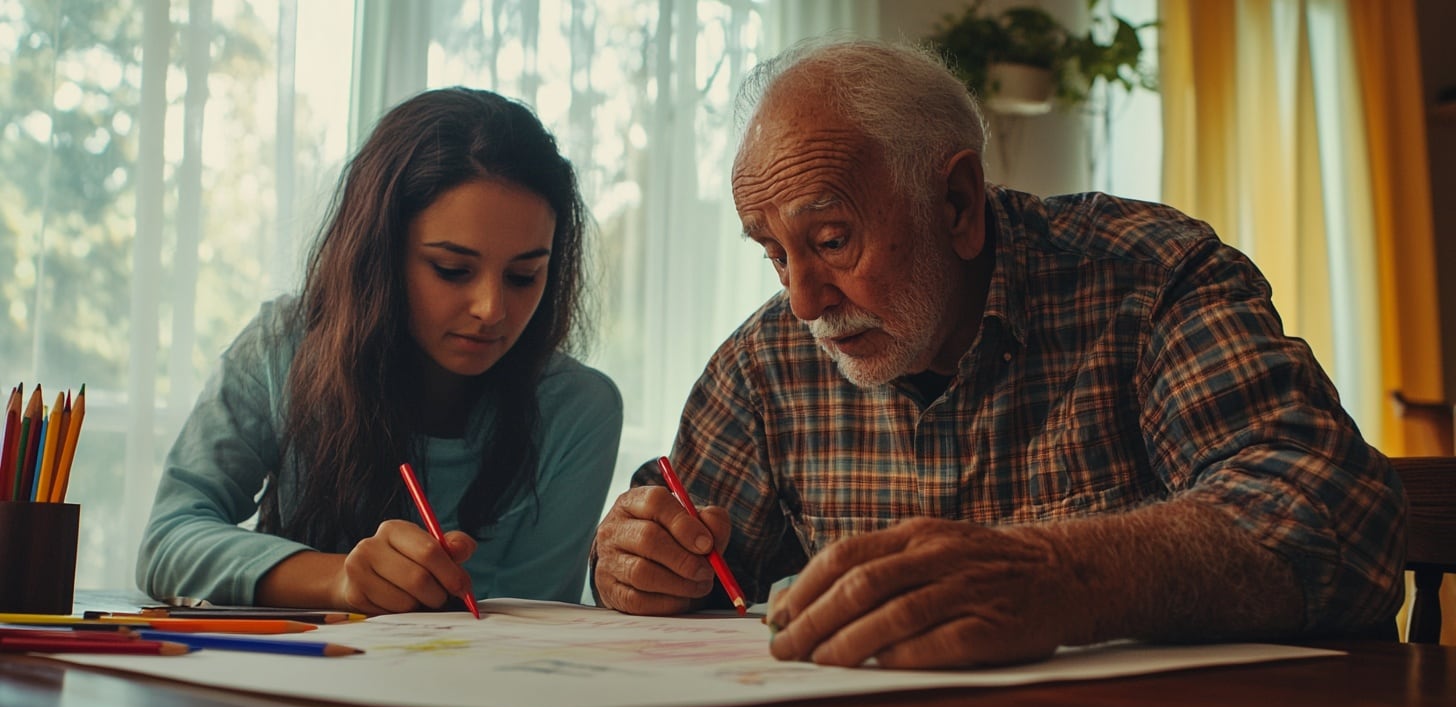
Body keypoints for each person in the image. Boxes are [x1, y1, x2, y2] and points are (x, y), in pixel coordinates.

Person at [590, 40, 1406, 668]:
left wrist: (1059, 576)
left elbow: (1334, 518)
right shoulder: (768, 361)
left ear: (956, 202)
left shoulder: (1147, 279)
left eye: (832, 240)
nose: (804, 301)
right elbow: (684, 557)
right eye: (775, 254)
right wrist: (636, 562)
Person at [138, 87, 623, 615]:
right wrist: (337, 579)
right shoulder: (284, 347)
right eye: (452, 270)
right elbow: (169, 539)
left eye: (524, 275)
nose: (491, 309)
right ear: (379, 256)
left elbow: (533, 620)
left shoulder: (577, 409)